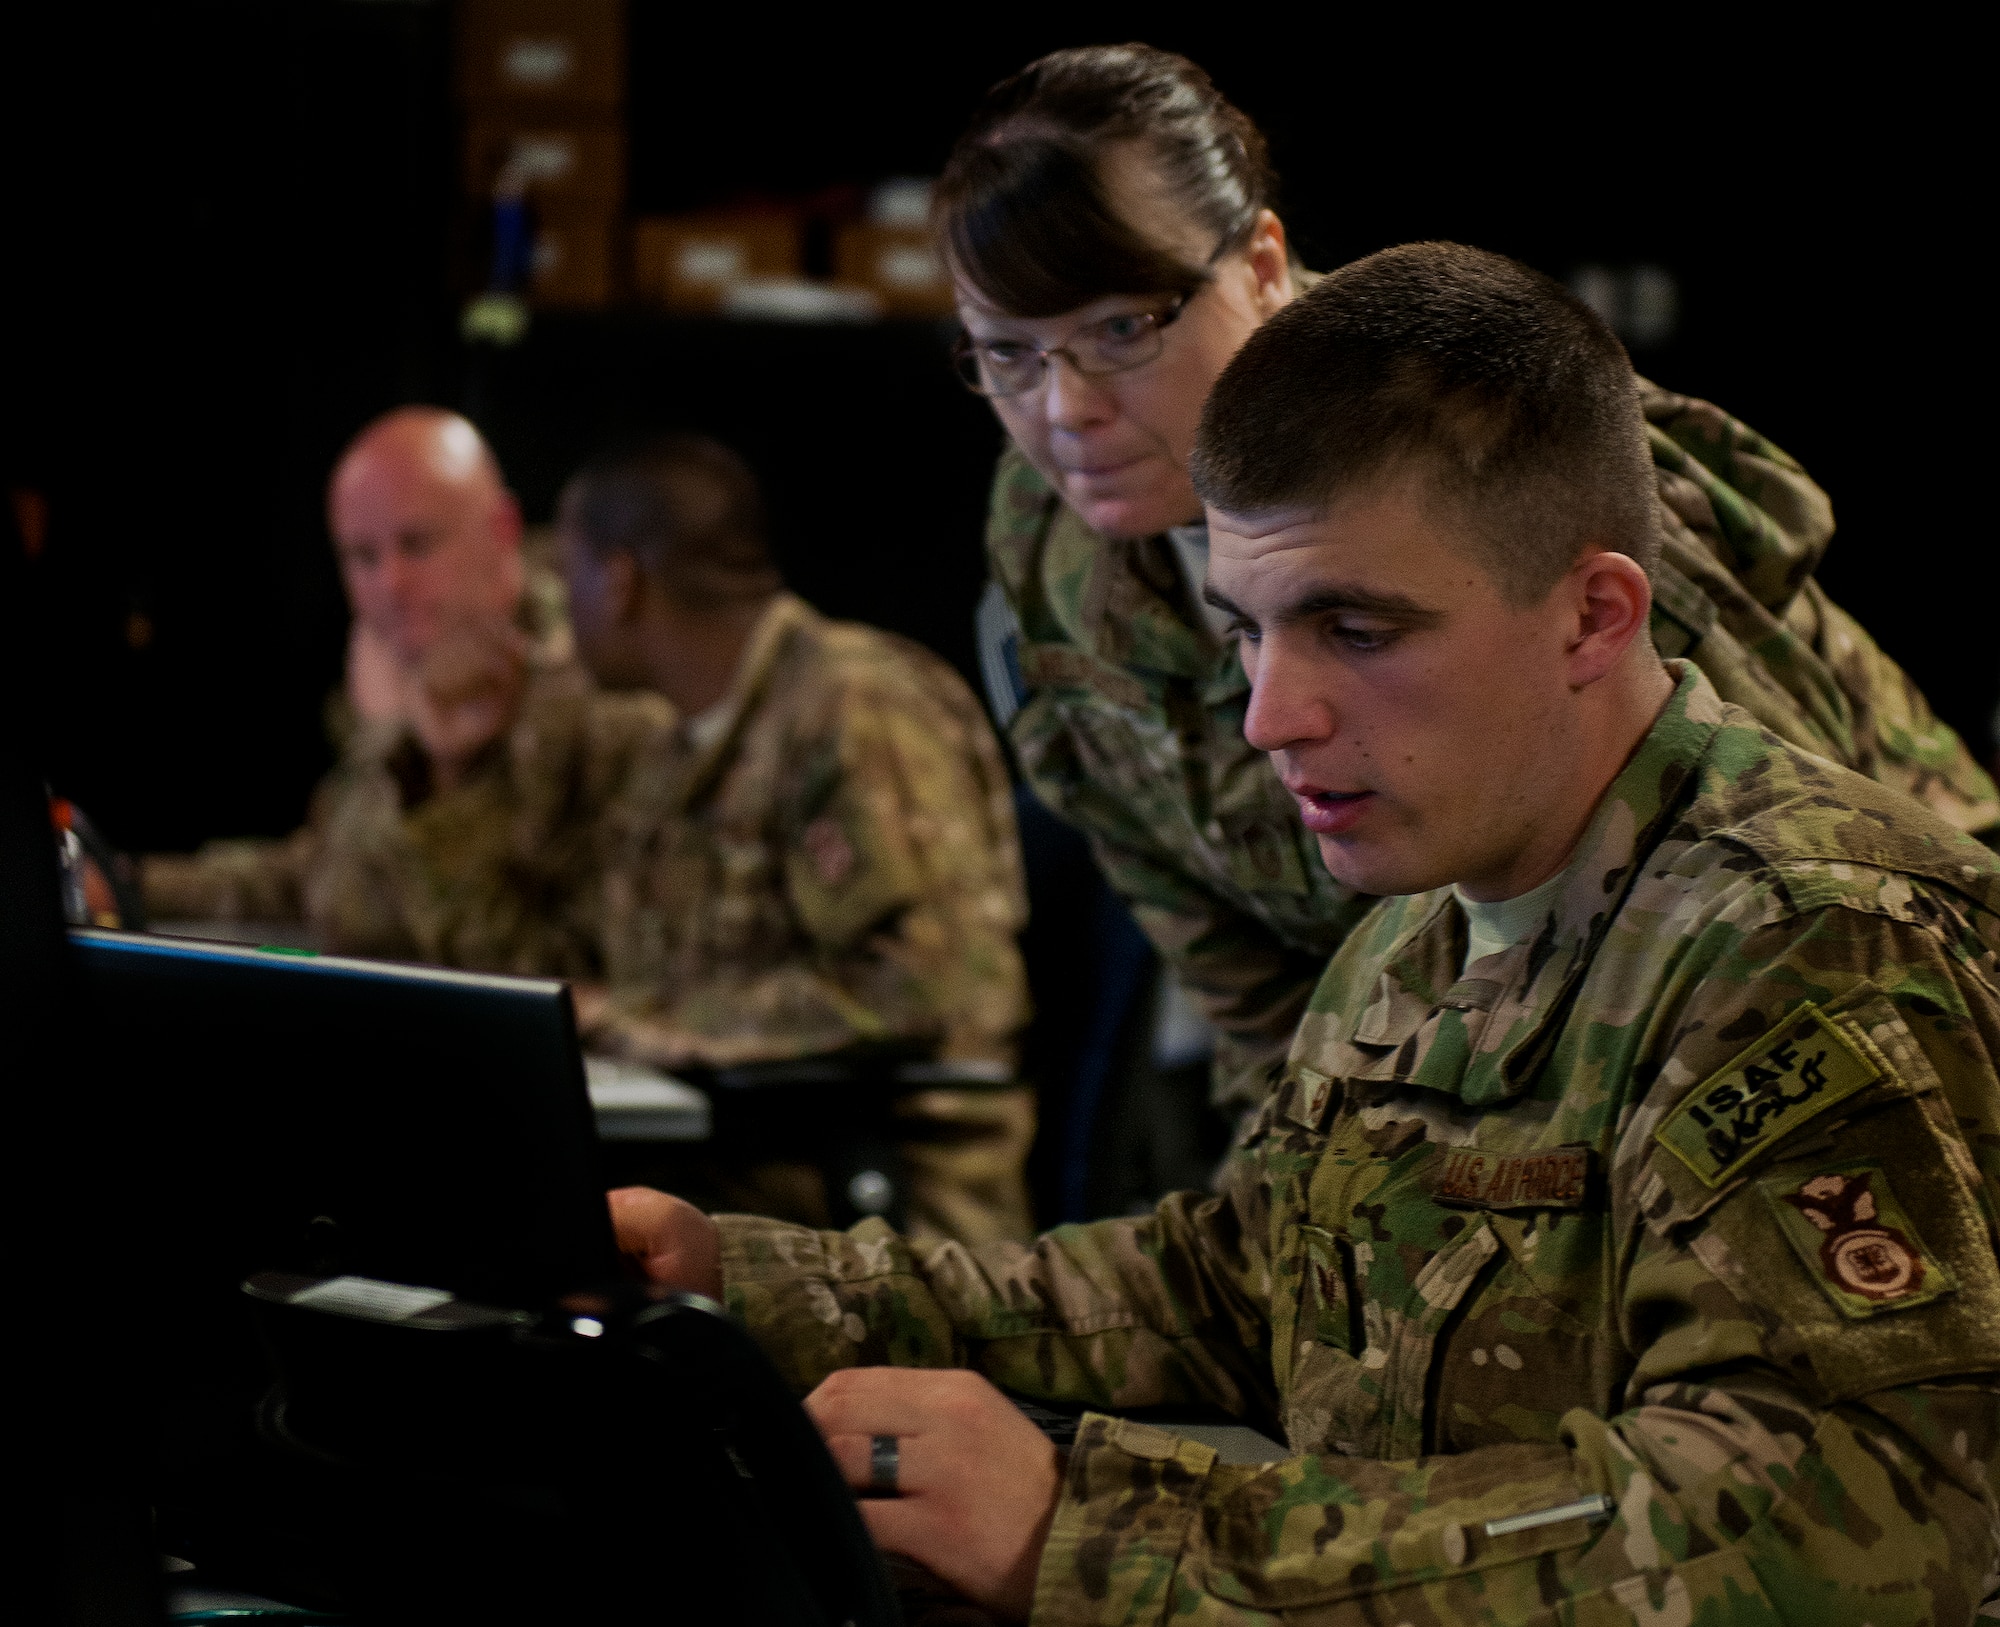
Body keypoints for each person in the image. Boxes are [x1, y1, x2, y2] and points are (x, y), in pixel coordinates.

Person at [610, 246, 2000, 1623]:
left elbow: (1838, 1515)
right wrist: (760, 1281)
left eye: (1354, 627)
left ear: (1594, 614)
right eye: (1250, 631)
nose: (1272, 714)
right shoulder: (1418, 923)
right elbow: (1236, 1282)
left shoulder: (1811, 940)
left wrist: (1093, 1530)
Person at [949, 44, 2000, 1122]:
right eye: (1007, 354)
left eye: (1121, 328)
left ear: (1261, 263)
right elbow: (1219, 947)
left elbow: (1801, 893)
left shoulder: (1474, 446)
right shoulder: (1047, 535)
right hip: (1449, 1079)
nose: (1063, 410)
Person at [557, 435, 1036, 1246]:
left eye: (564, 576)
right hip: (743, 1177)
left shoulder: (857, 706)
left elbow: (937, 985)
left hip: (887, 1224)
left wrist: (641, 1022)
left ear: (619, 581)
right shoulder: (674, 746)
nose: (557, 610)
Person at [143, 406, 664, 973]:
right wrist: (128, 882)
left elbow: (545, 976)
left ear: (503, 531)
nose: (388, 584)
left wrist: (443, 784)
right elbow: (323, 874)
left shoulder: (609, 696)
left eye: (416, 544)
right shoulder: (390, 678)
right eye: (362, 557)